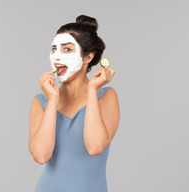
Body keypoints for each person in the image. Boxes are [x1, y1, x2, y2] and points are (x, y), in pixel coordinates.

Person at [29, 15, 120, 192]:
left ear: (87, 57)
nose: (57, 56)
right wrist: (53, 100)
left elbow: (95, 147)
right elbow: (41, 155)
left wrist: (92, 90)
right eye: (54, 49)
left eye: (67, 49)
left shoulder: (105, 96)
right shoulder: (41, 102)